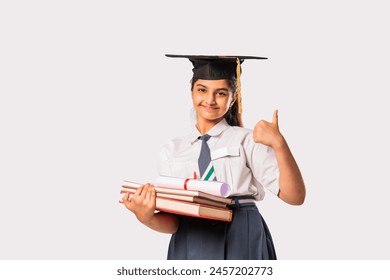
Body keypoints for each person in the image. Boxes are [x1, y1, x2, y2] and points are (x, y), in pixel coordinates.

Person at [121, 54, 306, 260]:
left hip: (240, 232)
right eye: (202, 90)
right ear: (191, 91)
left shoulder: (247, 140)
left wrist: (279, 144)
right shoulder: (172, 150)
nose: (210, 100)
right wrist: (146, 217)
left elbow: (295, 197)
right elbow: (174, 222)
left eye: (220, 93)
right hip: (191, 236)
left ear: (233, 97)